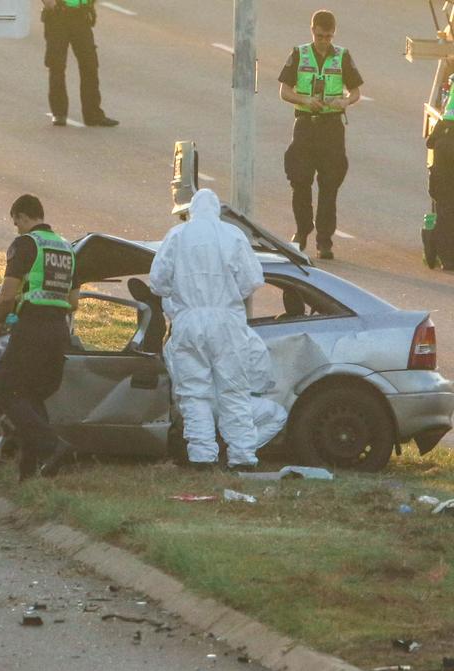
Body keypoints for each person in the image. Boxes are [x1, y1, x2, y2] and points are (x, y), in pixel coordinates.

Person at [150, 189, 265, 470]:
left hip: (188, 321)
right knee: (234, 390)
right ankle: (242, 457)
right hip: (227, 322)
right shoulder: (233, 235)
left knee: (194, 393)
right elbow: (251, 280)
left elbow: (157, 282)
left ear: (191, 211)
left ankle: (202, 456)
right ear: (216, 211)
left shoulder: (176, 236)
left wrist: (179, 293)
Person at [0, 193, 79, 479]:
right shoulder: (68, 249)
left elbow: (7, 295)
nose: (16, 228)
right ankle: (29, 471)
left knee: (7, 388)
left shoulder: (26, 244)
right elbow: (74, 300)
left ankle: (53, 446)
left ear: (22, 216)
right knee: (31, 396)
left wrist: (2, 319)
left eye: (15, 221)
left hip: (31, 327)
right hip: (58, 329)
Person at [278, 9, 363, 260]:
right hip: (305, 124)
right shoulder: (299, 53)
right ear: (312, 30)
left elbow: (356, 92)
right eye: (320, 36)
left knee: (329, 184)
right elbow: (284, 91)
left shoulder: (343, 56)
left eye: (329, 36)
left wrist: (345, 102)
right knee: (300, 180)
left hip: (331, 127)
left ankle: (324, 240)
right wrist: (304, 99)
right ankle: (302, 231)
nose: (325, 41)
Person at [41, 0, 119, 128]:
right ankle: (59, 113)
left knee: (90, 64)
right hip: (58, 16)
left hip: (80, 17)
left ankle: (92, 115)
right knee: (57, 66)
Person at [426, 90, 454, 270]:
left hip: (444, 135)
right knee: (448, 207)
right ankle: (447, 256)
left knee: (446, 206)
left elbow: (430, 142)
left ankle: (446, 257)